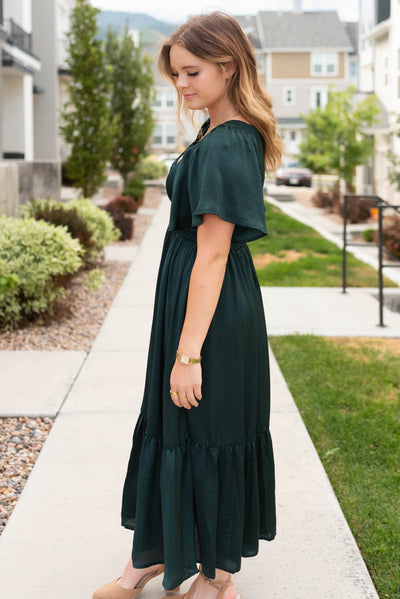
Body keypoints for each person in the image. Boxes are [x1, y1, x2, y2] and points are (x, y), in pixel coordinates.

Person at [93, 11, 283, 599]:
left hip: (213, 314)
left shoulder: (230, 142)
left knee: (209, 425)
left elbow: (213, 257)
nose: (181, 84)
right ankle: (154, 556)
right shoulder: (213, 132)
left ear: (229, 66)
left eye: (192, 71)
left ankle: (216, 573)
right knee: (174, 422)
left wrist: (188, 352)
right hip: (196, 302)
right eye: (176, 74)